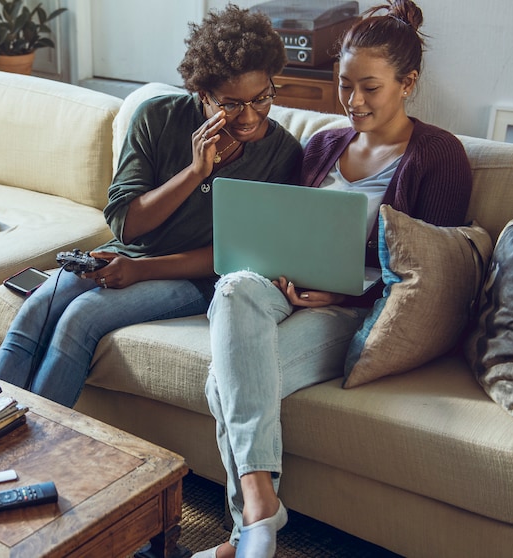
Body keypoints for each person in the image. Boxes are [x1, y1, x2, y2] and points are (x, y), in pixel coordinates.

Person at [196, 2, 473, 558]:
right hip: (287, 294)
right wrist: (278, 268)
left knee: (226, 380)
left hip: (356, 310)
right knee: (232, 286)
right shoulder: (324, 145)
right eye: (345, 86)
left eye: (370, 87)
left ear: (408, 82)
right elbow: (291, 226)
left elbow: (441, 276)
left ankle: (246, 529)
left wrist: (348, 291)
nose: (354, 101)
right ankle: (261, 511)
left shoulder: (438, 155)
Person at [0, 6, 302, 408]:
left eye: (261, 98)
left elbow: (237, 259)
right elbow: (125, 226)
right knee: (36, 308)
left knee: (81, 317)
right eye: (231, 104)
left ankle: (38, 450)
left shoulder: (282, 155)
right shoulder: (158, 117)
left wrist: (140, 270)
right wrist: (193, 171)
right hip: (125, 254)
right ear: (203, 94)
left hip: (195, 280)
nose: (249, 116)